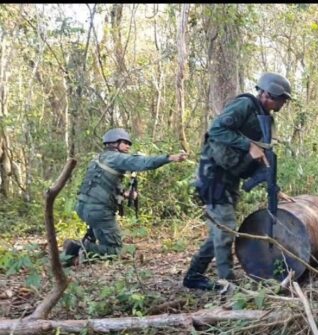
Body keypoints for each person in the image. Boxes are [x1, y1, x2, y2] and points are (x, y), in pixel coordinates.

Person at [183, 72, 293, 291]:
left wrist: (274, 188)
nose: (283, 103)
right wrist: (246, 145)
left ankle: (194, 275)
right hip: (213, 175)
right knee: (226, 228)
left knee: (221, 229)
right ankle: (227, 283)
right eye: (281, 99)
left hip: (229, 177)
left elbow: (262, 156)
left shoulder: (265, 119)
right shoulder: (244, 105)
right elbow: (216, 129)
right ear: (268, 94)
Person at [62, 128, 188, 266]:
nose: (128, 146)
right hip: (98, 211)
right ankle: (77, 247)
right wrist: (170, 157)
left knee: (103, 241)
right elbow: (143, 162)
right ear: (115, 143)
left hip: (83, 207)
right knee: (114, 250)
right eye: (125, 142)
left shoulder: (99, 159)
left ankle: (72, 257)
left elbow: (101, 185)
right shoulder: (117, 158)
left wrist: (125, 194)